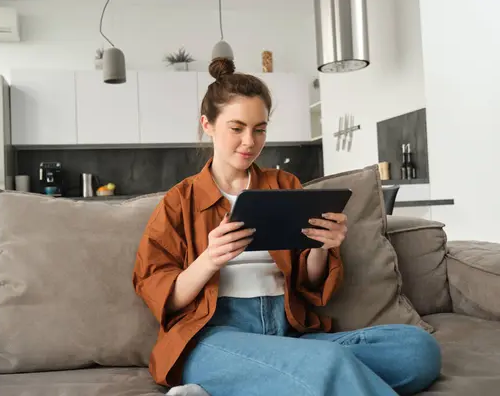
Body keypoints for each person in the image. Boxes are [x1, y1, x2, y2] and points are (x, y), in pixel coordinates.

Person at [132, 58, 441, 396]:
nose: (249, 141)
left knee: (416, 350)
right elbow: (162, 295)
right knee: (326, 362)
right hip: (211, 337)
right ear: (208, 124)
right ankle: (288, 373)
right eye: (236, 128)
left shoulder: (285, 184)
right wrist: (210, 259)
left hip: (287, 331)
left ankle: (244, 385)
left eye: (260, 129)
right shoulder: (180, 200)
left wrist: (321, 247)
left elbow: (308, 282)